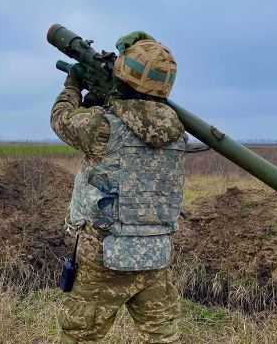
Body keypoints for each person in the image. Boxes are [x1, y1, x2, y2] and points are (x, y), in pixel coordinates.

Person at [50, 31, 187, 344]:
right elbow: (141, 120)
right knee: (163, 337)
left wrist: (73, 86)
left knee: (80, 336)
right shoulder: (178, 134)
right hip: (156, 253)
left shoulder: (102, 125)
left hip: (103, 252)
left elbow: (61, 118)